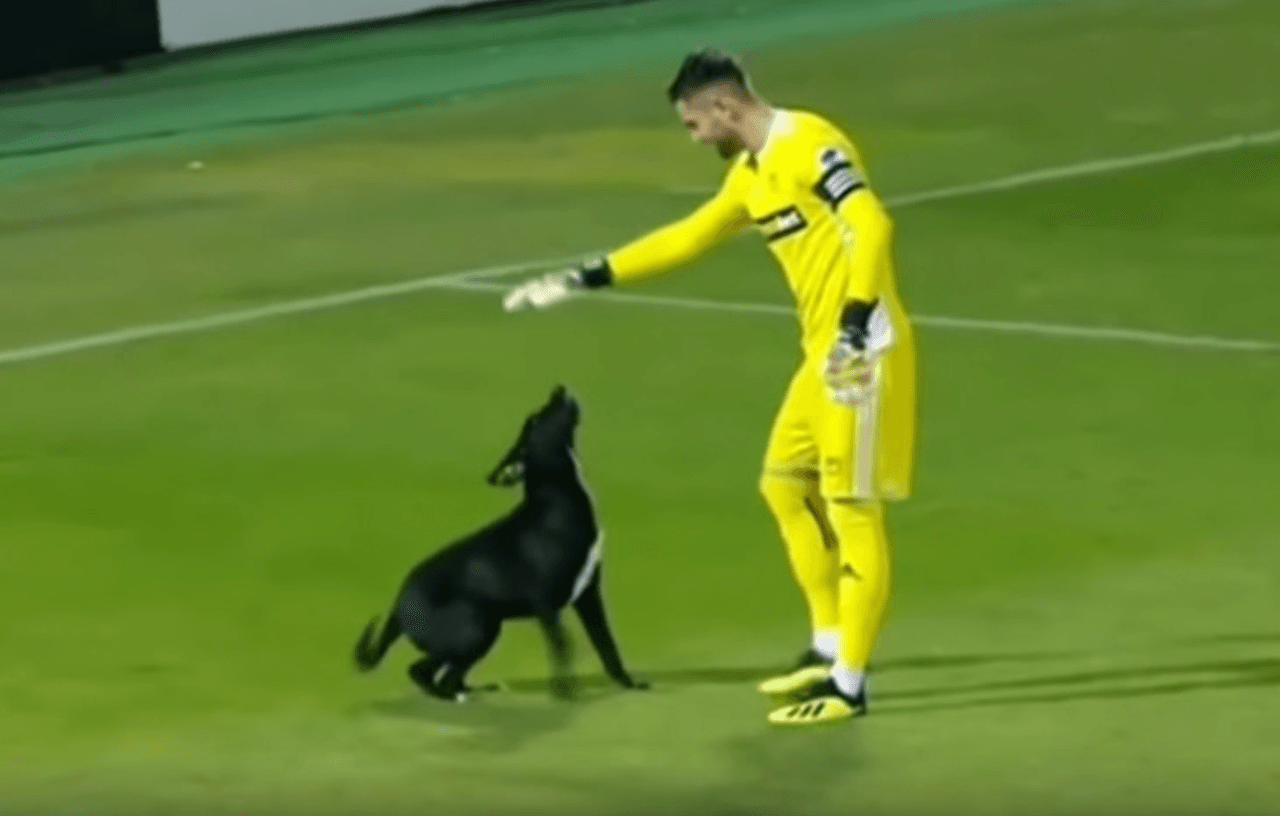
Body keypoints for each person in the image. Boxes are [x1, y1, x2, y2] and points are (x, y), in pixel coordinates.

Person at [502, 48, 917, 726]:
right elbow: (690, 235)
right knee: (784, 485)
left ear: (724, 108)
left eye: (694, 125)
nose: (693, 138)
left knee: (853, 510)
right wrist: (587, 276)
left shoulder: (810, 143)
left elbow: (872, 224)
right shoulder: (752, 175)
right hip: (820, 359)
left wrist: (852, 323)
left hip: (858, 356)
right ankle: (827, 644)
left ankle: (849, 684)